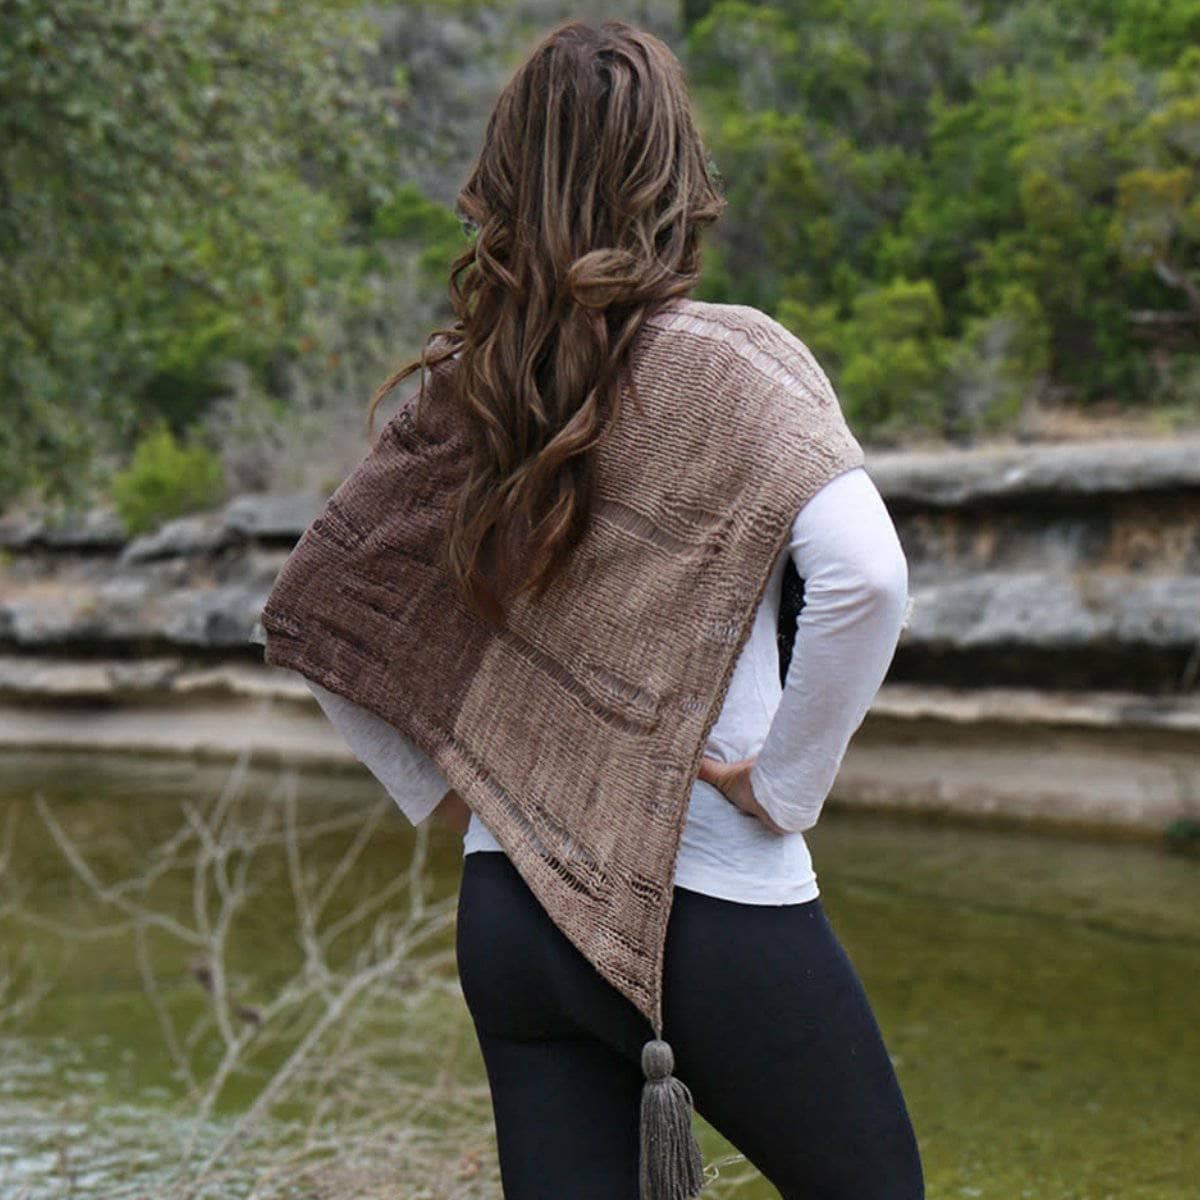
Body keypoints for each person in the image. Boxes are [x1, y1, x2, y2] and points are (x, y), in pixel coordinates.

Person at [294, 17, 924, 1200]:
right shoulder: (737, 365)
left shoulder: (474, 385)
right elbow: (868, 577)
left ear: (507, 176)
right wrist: (786, 786)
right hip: (711, 904)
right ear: (672, 175)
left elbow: (323, 615)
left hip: (509, 912)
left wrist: (456, 791)